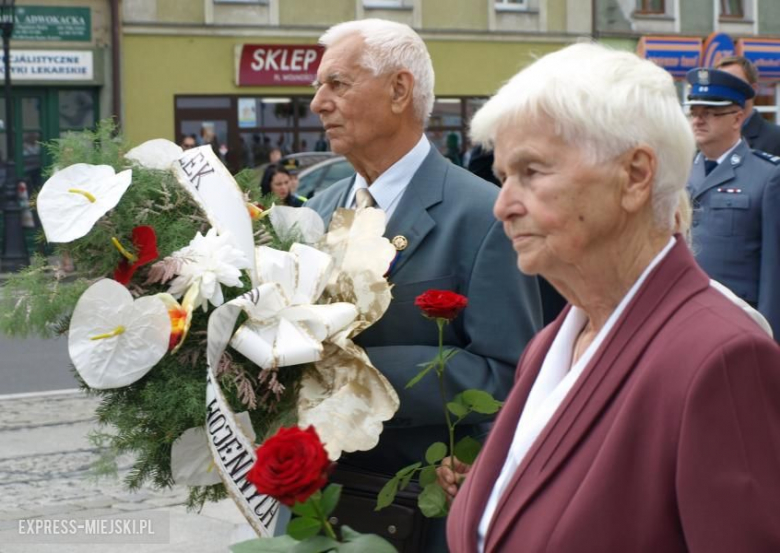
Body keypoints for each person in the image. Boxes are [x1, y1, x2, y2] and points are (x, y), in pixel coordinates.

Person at [441, 43, 780, 553]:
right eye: (503, 177)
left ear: (635, 176)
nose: (504, 206)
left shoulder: (721, 358)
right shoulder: (555, 342)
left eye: (531, 172)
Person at [306, 18, 542, 552]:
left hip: (417, 515)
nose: (319, 103)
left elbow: (508, 378)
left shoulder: (483, 216)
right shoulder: (314, 214)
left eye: (337, 84)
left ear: (398, 90)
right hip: (315, 508)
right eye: (318, 87)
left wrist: (349, 368)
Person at [685, 67, 780, 339]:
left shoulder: (767, 175)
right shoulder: (682, 172)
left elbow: (774, 267)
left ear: (737, 118)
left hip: (737, 320)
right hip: (686, 314)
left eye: (711, 113)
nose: (698, 120)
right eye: (694, 112)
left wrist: (769, 333)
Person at [716, 55, 780, 156]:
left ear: (753, 89)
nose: (725, 90)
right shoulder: (711, 136)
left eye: (733, 83)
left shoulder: (776, 138)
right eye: (720, 84)